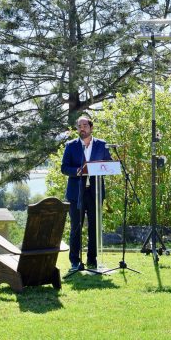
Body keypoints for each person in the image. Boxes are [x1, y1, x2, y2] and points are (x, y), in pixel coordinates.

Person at [61, 115, 111, 271]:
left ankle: (92, 260)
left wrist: (103, 167)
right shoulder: (71, 146)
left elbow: (108, 163)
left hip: (95, 193)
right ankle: (75, 261)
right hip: (76, 193)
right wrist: (77, 171)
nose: (81, 128)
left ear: (91, 127)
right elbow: (64, 168)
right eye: (79, 126)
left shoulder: (102, 145)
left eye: (84, 125)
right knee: (76, 227)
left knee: (94, 228)